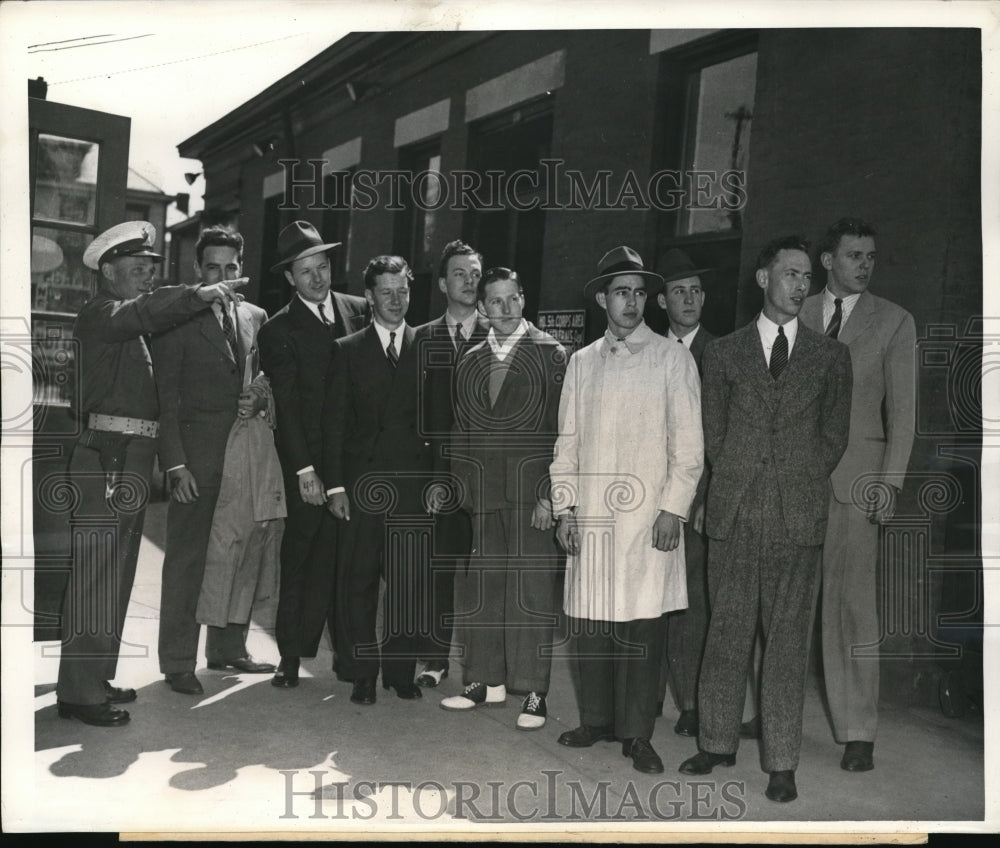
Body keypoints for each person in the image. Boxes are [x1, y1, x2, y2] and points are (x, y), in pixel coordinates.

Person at [679, 235, 852, 803]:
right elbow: (713, 432)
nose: (801, 285)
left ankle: (781, 760)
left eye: (807, 277)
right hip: (735, 510)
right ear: (763, 279)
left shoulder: (831, 357)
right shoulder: (723, 353)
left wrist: (793, 479)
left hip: (796, 516)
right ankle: (716, 741)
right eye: (791, 274)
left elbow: (833, 438)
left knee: (785, 644)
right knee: (725, 632)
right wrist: (739, 478)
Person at [56, 220, 247, 726]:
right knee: (96, 578)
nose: (147, 279)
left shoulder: (130, 322)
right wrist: (197, 293)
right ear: (109, 272)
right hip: (108, 458)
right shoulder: (102, 314)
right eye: (138, 270)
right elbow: (144, 310)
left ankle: (94, 676)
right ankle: (78, 692)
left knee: (115, 577)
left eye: (151, 270)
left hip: (130, 458)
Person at [550, 245, 703, 773]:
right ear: (602, 299)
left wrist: (672, 511)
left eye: (639, 293)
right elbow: (566, 443)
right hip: (592, 517)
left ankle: (637, 734)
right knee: (591, 621)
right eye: (622, 293)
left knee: (642, 626)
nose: (632, 303)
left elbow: (688, 450)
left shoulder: (671, 357)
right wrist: (566, 509)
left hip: (646, 522)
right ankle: (595, 719)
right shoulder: (581, 362)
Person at [801, 218, 916, 773]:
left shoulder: (894, 321)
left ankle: (858, 731)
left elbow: (904, 416)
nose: (865, 265)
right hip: (794, 482)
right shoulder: (795, 311)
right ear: (828, 261)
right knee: (779, 598)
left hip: (858, 484)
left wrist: (890, 483)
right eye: (853, 255)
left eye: (871, 256)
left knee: (852, 609)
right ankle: (759, 712)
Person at [439, 267, 566, 731]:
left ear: (523, 299)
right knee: (484, 588)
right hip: (484, 493)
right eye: (495, 301)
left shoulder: (551, 354)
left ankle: (534, 692)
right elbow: (460, 429)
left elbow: (563, 433)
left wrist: (551, 494)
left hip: (531, 495)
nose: (506, 309)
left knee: (531, 592)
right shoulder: (471, 358)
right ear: (483, 308)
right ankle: (483, 681)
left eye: (513, 299)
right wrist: (464, 488)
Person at [153, 226, 276, 696]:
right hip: (196, 463)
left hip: (244, 456)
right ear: (197, 271)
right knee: (187, 559)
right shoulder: (179, 320)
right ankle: (178, 661)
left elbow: (266, 379)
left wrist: (260, 400)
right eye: (212, 268)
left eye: (230, 268)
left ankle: (227, 649)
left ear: (241, 269)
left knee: (239, 551)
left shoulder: (256, 316)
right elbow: (165, 397)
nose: (223, 276)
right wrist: (175, 464)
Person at [257, 221, 368, 689]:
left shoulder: (359, 310)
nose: (317, 279)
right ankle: (289, 656)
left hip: (354, 462)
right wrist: (305, 470)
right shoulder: (278, 330)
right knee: (301, 557)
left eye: (322, 267)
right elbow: (287, 406)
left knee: (349, 560)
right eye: (306, 272)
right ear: (290, 278)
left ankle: (347, 655)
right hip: (307, 463)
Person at [323, 255, 432, 705]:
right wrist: (335, 487)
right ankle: (363, 672)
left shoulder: (427, 346)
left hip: (411, 486)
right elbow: (334, 426)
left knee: (407, 583)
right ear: (369, 297)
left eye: (403, 291)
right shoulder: (347, 349)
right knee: (360, 583)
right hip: (361, 487)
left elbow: (438, 423)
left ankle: (400, 673)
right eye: (386, 292)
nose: (396, 300)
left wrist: (437, 483)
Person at [412, 240, 489, 688]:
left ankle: (482, 670)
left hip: (488, 479)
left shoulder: (500, 333)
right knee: (437, 572)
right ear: (443, 283)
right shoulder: (421, 338)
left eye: (475, 273)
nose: (469, 281)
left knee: (484, 576)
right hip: (438, 479)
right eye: (460, 273)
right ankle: (434, 659)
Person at [654, 248, 715, 739]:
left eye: (696, 290)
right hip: (647, 500)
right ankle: (648, 693)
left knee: (692, 605)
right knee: (648, 599)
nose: (690, 299)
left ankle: (691, 701)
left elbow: (723, 436)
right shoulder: (646, 351)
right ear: (662, 301)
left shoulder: (720, 352)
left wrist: (705, 500)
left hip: (695, 505)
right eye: (679, 291)